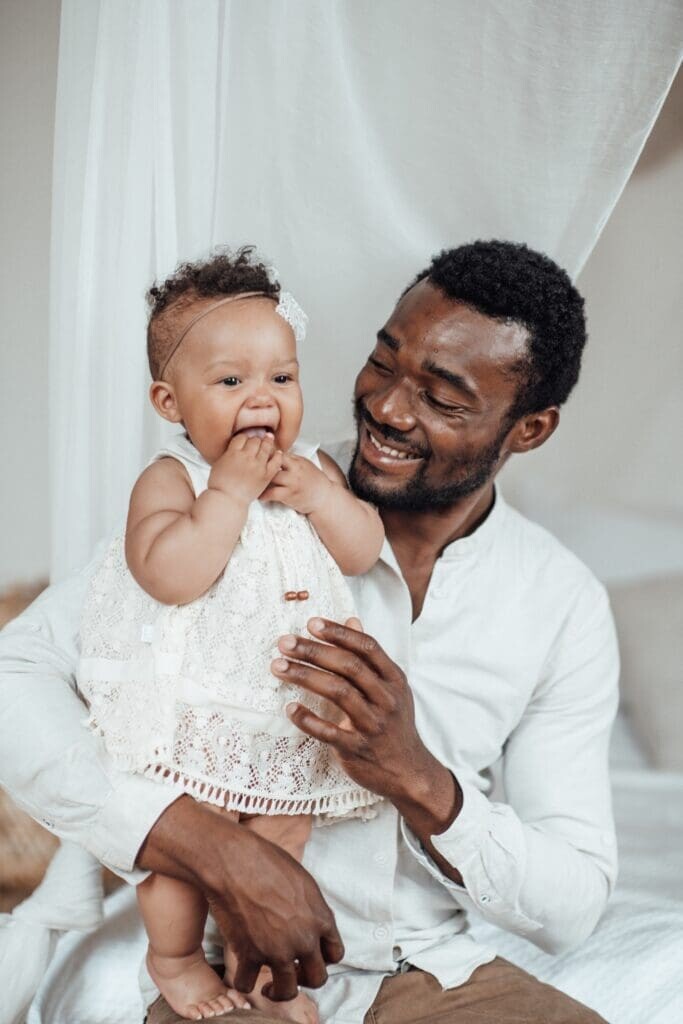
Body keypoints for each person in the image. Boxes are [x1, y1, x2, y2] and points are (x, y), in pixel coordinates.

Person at [0, 240, 618, 1024]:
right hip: (228, 959)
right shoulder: (226, 492)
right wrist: (202, 844)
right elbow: (13, 673)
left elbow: (574, 903)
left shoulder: (557, 603)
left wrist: (417, 777)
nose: (389, 409)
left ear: (527, 431)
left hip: (425, 967)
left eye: (443, 398)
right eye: (383, 362)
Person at [77, 247, 384, 1021]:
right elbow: (169, 573)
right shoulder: (173, 478)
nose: (263, 398)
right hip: (193, 719)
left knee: (278, 852)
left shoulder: (312, 467)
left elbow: (361, 550)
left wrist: (319, 496)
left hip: (282, 717)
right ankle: (175, 961)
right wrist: (228, 494)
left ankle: (260, 981)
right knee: (181, 857)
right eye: (230, 381)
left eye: (281, 378)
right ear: (170, 402)